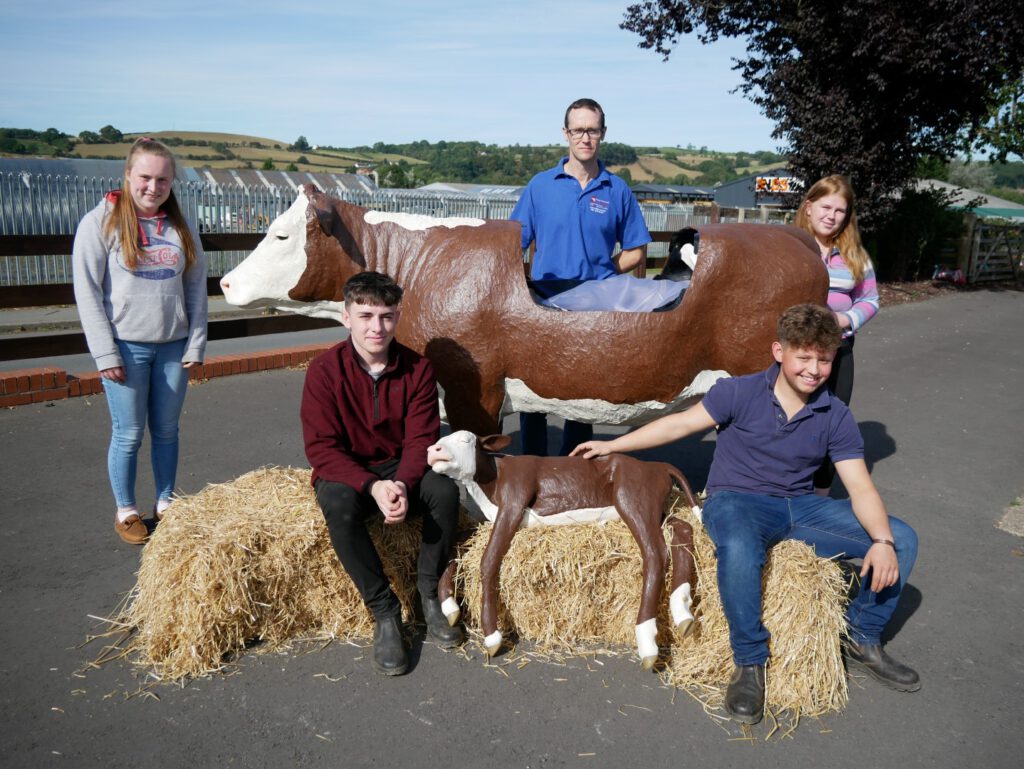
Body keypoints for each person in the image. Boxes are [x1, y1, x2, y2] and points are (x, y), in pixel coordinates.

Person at [572, 304, 919, 725]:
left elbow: (861, 486)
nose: (814, 370)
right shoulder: (738, 392)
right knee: (738, 546)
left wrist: (881, 542)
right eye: (804, 358)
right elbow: (680, 424)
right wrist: (615, 446)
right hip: (736, 500)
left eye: (824, 360)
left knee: (902, 538)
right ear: (779, 351)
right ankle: (749, 662)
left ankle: (863, 637)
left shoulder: (835, 414)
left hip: (800, 507)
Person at [300, 271, 463, 676]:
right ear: (346, 317)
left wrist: (404, 486)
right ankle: (385, 611)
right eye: (366, 315)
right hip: (350, 469)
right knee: (337, 503)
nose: (377, 327)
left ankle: (428, 594)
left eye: (387, 316)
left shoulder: (418, 369)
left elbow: (420, 439)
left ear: (398, 316)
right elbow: (321, 448)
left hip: (399, 464)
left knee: (443, 493)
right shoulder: (323, 371)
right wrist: (372, 486)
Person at [73, 137, 208, 545]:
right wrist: (105, 353)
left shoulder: (181, 227)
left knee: (167, 430)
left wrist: (196, 342)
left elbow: (197, 287)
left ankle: (166, 503)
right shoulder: (100, 223)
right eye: (145, 177)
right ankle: (127, 510)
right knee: (129, 433)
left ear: (172, 182)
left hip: (172, 346)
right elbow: (87, 292)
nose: (154, 186)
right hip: (126, 349)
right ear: (128, 175)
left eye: (163, 179)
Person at [510, 97, 652, 456]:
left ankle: (574, 469)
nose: (585, 137)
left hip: (594, 304)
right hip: (543, 302)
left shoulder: (616, 189)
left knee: (581, 391)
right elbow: (514, 242)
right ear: (565, 133)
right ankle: (532, 464)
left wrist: (603, 274)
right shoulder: (541, 186)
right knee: (534, 393)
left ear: (603, 133)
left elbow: (635, 249)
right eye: (578, 130)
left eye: (592, 130)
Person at [794, 175, 880, 495]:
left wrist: (844, 318)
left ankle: (818, 495)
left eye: (840, 210)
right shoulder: (789, 249)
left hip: (838, 351)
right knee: (787, 421)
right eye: (825, 206)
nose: (831, 215)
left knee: (828, 421)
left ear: (848, 216)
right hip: (792, 355)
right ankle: (781, 490)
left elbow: (871, 300)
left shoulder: (855, 255)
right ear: (808, 207)